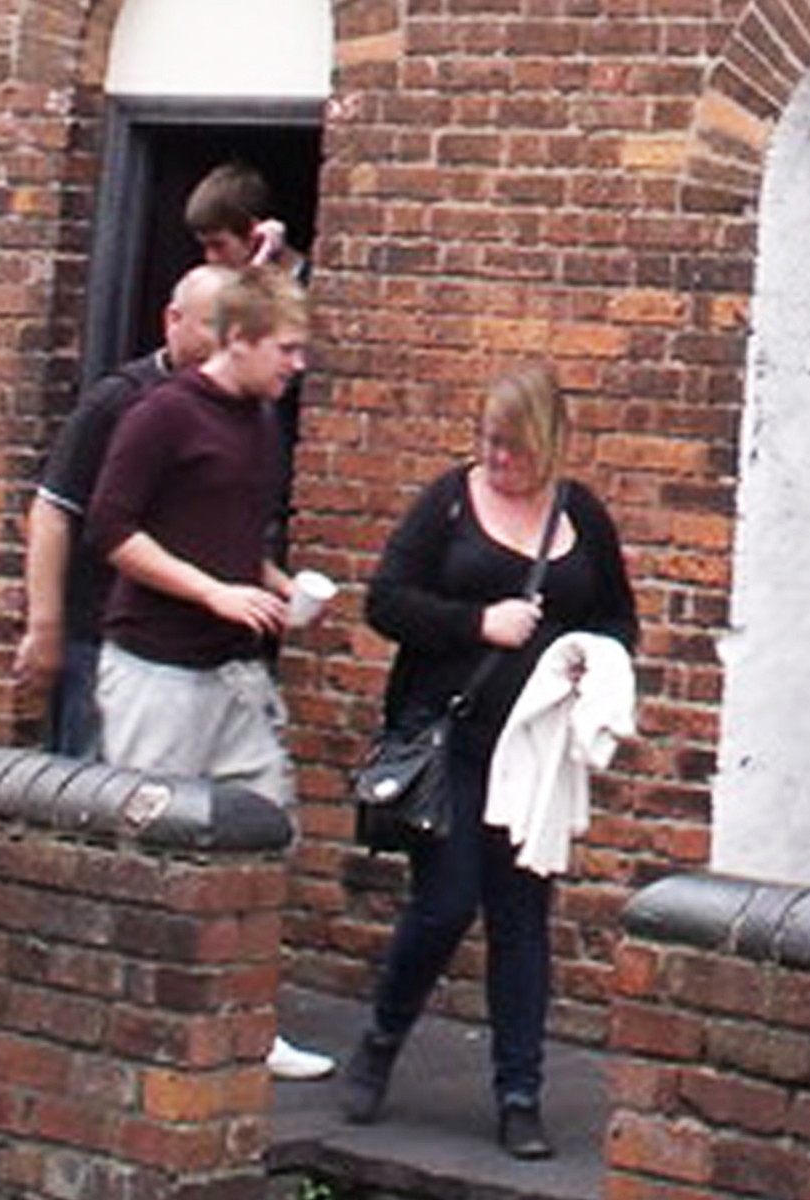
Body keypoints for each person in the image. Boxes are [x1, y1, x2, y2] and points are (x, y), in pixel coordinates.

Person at [343, 363, 639, 1159]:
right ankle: (381, 1037)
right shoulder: (448, 501)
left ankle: (520, 1091)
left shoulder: (583, 518)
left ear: (548, 444)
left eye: (512, 448)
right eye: (488, 444)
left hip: (534, 753)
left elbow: (618, 619)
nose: (497, 461)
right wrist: (479, 623)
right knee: (444, 903)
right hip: (454, 736)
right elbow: (387, 601)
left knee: (521, 920)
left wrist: (589, 660)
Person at [82, 266, 336, 1082]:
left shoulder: (262, 423)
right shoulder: (160, 415)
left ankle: (251, 1023)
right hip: (156, 667)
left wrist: (273, 585)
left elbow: (227, 534)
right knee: (154, 852)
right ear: (238, 340)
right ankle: (135, 1025)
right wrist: (211, 592)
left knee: (268, 835)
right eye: (287, 349)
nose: (296, 366)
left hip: (235, 675)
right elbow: (111, 531)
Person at [16, 266, 228, 757]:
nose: (223, 344)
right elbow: (53, 512)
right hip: (101, 637)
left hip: (184, 647)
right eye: (212, 326)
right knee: (92, 794)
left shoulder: (236, 413)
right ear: (173, 320)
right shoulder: (119, 401)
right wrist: (45, 629)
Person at [185, 162, 302, 274]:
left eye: (218, 245)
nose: (210, 258)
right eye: (206, 247)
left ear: (255, 234)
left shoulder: (310, 282)